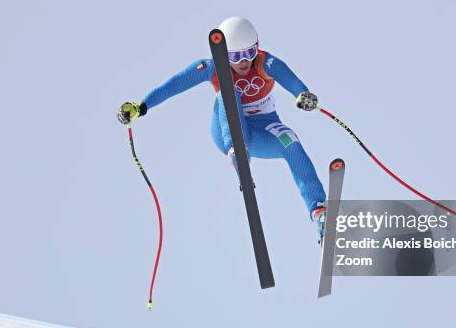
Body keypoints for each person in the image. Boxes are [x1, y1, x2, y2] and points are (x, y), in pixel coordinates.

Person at [118, 16, 327, 238]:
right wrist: (141, 107)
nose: (245, 62)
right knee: (228, 93)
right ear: (225, 55)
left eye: (250, 53)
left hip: (263, 128)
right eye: (237, 56)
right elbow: (174, 84)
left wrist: (303, 94)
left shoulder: (266, 63)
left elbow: (290, 80)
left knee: (291, 141)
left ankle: (318, 211)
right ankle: (236, 150)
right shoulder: (211, 68)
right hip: (226, 128)